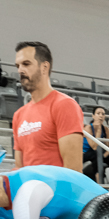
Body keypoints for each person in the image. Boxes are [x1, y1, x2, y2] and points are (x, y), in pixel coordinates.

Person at [11, 41, 83, 173]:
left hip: (57, 192)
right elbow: (19, 169)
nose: (20, 70)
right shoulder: (18, 115)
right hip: (29, 192)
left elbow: (74, 172)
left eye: (26, 64)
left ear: (44, 67)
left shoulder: (64, 105)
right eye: (18, 65)